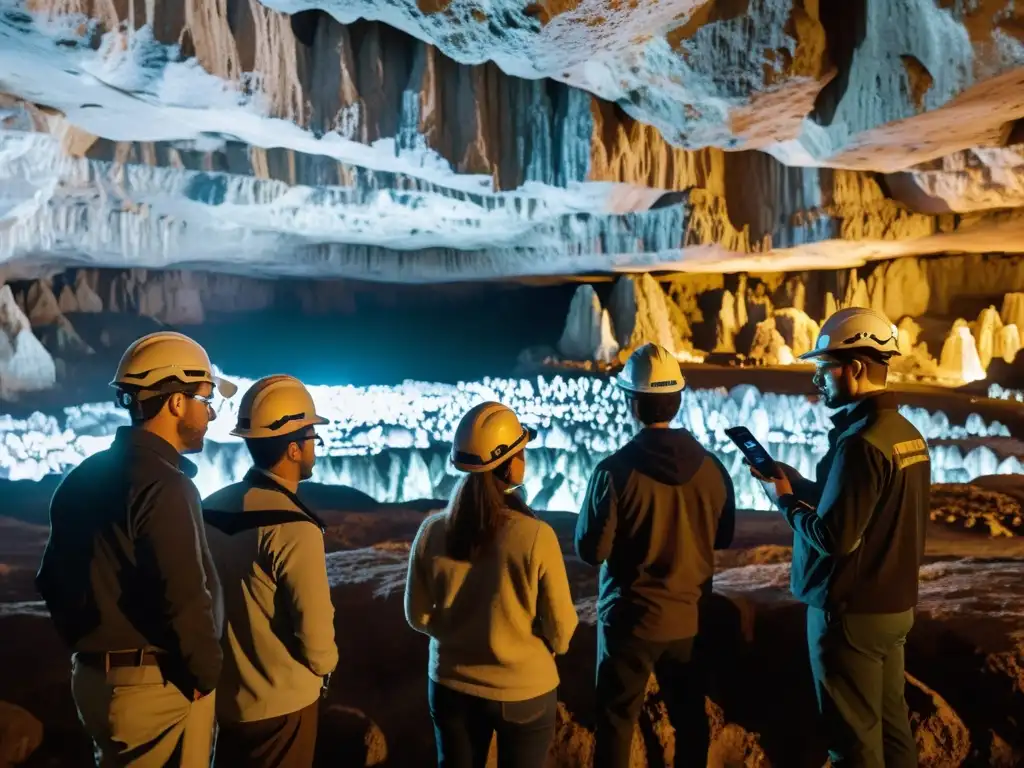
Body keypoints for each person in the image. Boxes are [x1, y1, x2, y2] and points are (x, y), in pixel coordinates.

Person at [36, 331, 235, 767]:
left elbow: (50, 579)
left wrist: (93, 649)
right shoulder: (165, 486)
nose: (211, 414)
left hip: (95, 681)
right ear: (176, 402)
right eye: (204, 399)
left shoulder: (81, 478)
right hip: (159, 688)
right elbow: (185, 595)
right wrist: (204, 675)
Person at [750, 307, 929, 768]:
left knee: (852, 742)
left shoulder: (858, 443)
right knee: (892, 731)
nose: (820, 381)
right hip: (894, 607)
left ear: (854, 368)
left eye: (824, 369)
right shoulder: (906, 435)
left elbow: (833, 536)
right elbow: (867, 503)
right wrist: (799, 485)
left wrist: (786, 502)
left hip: (851, 613)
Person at [575, 342, 736, 768]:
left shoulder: (613, 471)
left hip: (629, 621)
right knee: (690, 722)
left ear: (632, 403)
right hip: (690, 620)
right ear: (678, 400)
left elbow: (592, 551)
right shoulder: (713, 468)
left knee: (615, 722)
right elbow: (723, 537)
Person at [404, 401, 578, 768]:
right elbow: (562, 633)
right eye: (521, 449)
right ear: (507, 463)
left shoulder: (432, 531)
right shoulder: (535, 536)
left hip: (450, 686)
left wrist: (457, 635)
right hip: (523, 693)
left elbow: (417, 615)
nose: (525, 457)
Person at [202, 375, 338, 768]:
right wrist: (324, 668)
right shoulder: (294, 527)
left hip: (222, 701)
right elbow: (315, 638)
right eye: (312, 437)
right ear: (293, 449)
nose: (315, 447)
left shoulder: (208, 510)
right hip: (281, 705)